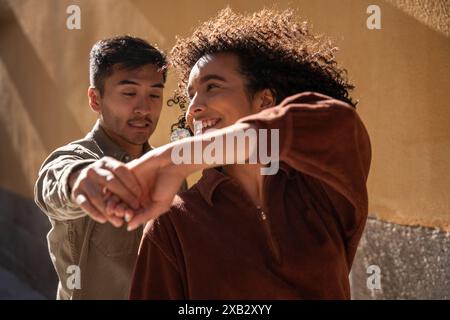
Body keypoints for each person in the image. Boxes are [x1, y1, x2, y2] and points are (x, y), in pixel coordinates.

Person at [112, 8, 371, 299]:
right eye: (191, 95)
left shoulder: (319, 187)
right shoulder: (173, 222)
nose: (193, 108)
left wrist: (185, 156)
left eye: (212, 86)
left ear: (265, 101)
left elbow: (341, 122)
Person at [34, 35, 169, 299]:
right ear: (96, 99)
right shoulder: (79, 158)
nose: (145, 108)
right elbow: (54, 181)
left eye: (155, 94)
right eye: (129, 93)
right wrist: (79, 179)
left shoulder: (167, 171)